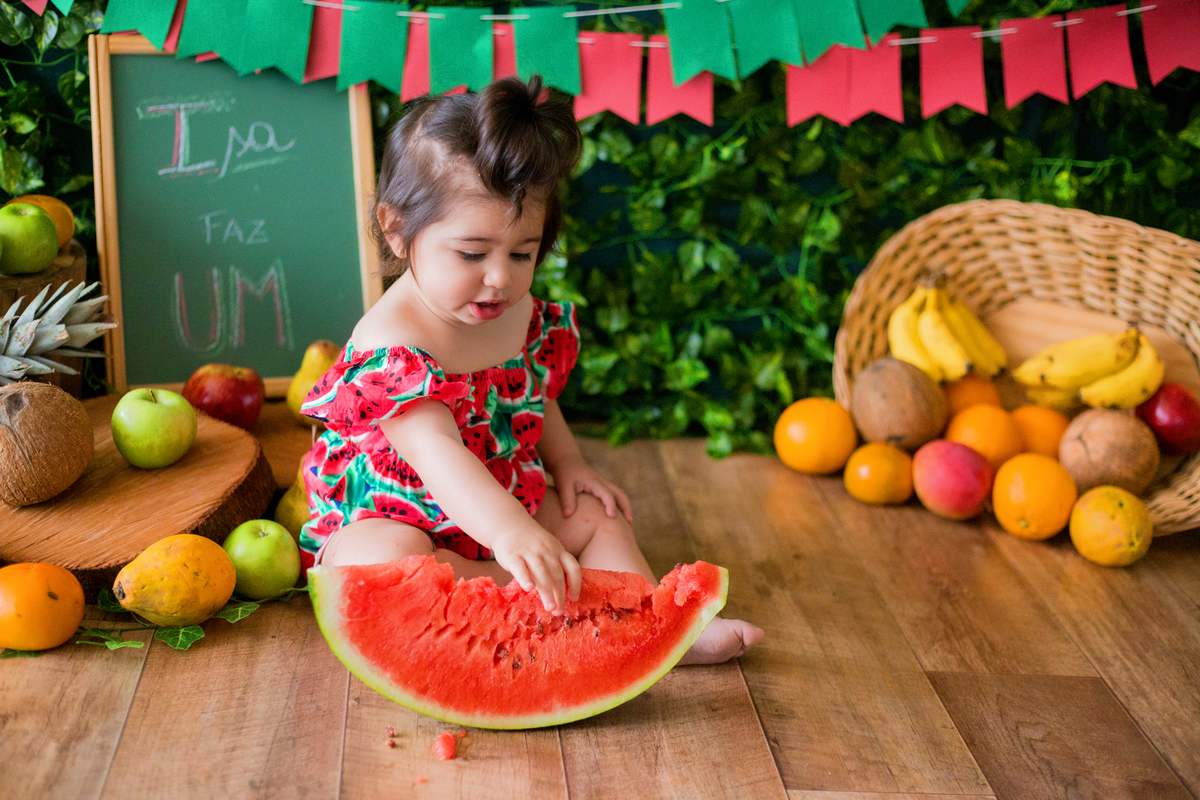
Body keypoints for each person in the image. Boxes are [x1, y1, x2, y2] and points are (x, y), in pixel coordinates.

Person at [298, 76, 763, 665]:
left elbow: (531, 392)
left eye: (522, 253)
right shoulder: (393, 344)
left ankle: (658, 627)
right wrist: (512, 532)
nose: (500, 278)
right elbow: (441, 458)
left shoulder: (512, 310)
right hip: (407, 512)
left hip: (505, 494)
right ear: (397, 229)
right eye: (472, 254)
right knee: (373, 558)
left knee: (598, 516)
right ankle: (513, 594)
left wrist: (568, 462)